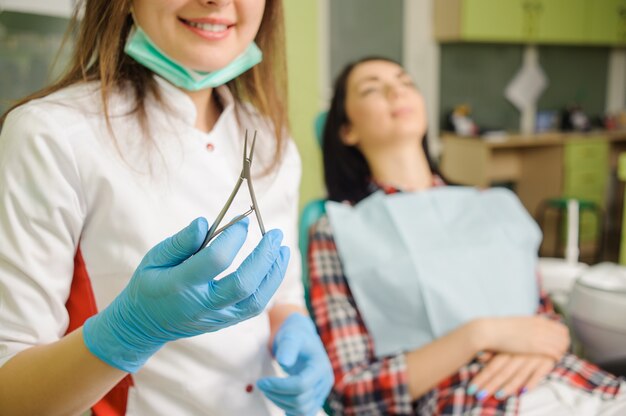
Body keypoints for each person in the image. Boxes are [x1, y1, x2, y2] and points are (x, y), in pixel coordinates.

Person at [0, 0, 333, 415]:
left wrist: (293, 326)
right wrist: (129, 332)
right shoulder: (51, 134)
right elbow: (9, 396)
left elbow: (282, 292)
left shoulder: (269, 139)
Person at [307, 57, 626, 415]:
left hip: (580, 383)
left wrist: (551, 339)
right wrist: (479, 334)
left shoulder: (494, 204)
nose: (396, 90)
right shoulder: (338, 229)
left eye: (405, 81)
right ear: (347, 130)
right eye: (372, 88)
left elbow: (544, 319)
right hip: (473, 400)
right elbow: (352, 392)